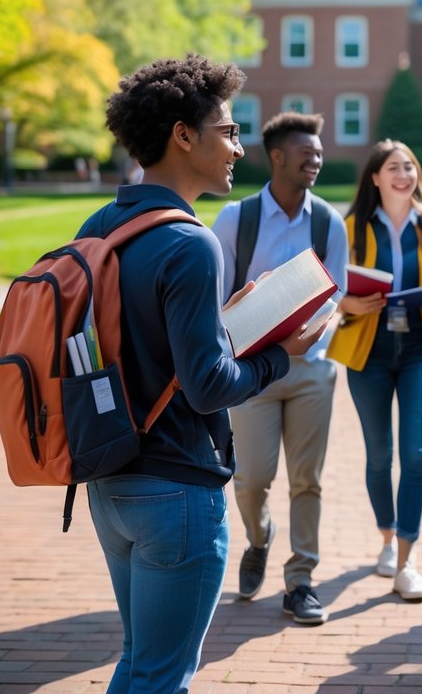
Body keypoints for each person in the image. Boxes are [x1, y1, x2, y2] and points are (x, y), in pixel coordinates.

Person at [78, 54, 326, 691]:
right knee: (163, 677)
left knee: (139, 664)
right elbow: (209, 384)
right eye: (229, 130)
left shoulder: (100, 225)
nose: (239, 147)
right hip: (178, 488)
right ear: (183, 136)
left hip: (110, 479)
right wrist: (280, 355)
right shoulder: (191, 242)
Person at [211, 111, 349, 625]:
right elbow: (217, 298)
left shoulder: (328, 221)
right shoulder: (235, 220)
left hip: (311, 369)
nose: (315, 160)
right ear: (276, 157)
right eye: (305, 153)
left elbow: (337, 296)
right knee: (250, 479)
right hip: (250, 373)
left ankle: (301, 579)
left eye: (318, 152)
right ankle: (259, 537)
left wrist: (309, 344)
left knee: (306, 480)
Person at [327, 139, 422, 603]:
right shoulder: (351, 227)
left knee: (416, 457)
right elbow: (326, 287)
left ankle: (407, 560)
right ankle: (386, 538)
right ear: (375, 178)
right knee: (379, 454)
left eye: (410, 167)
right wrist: (346, 300)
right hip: (370, 351)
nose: (404, 175)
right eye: (393, 168)